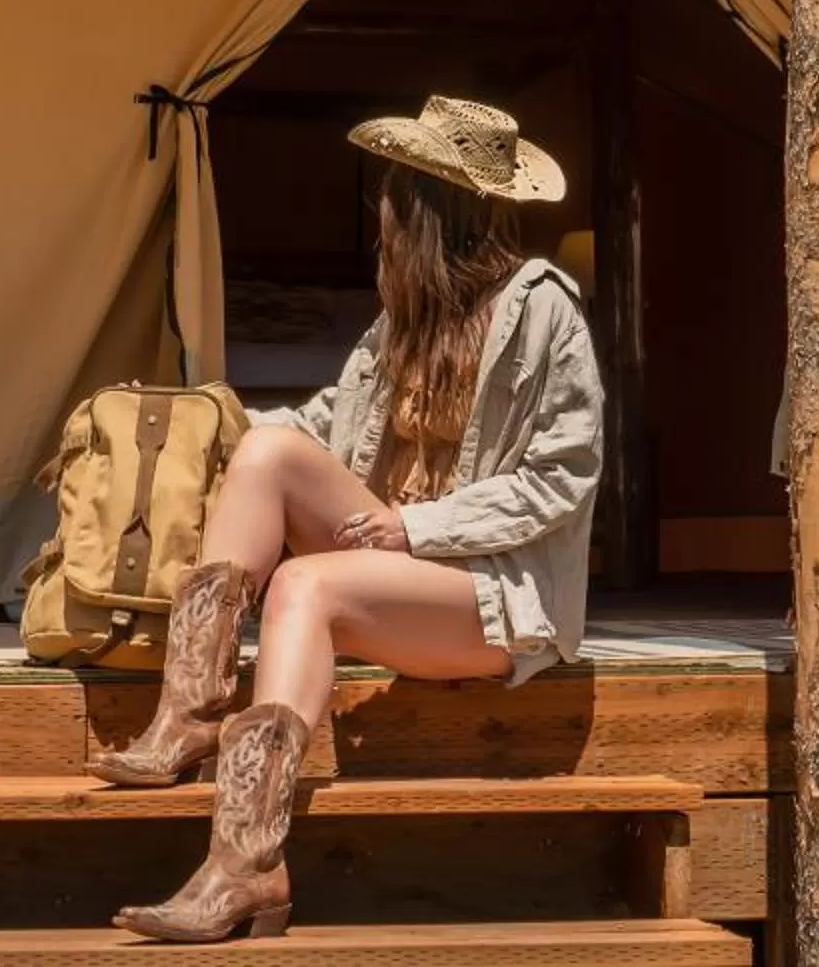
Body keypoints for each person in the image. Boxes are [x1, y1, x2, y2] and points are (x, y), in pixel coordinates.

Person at [97, 96, 603, 943]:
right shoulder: (402, 318)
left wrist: (423, 527)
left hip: (491, 593)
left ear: (432, 208)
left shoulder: (544, 309)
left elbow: (563, 478)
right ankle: (188, 713)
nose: (384, 210)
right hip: (397, 553)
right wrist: (212, 426)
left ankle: (245, 867)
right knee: (267, 456)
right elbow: (322, 427)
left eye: (398, 191)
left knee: (305, 587)